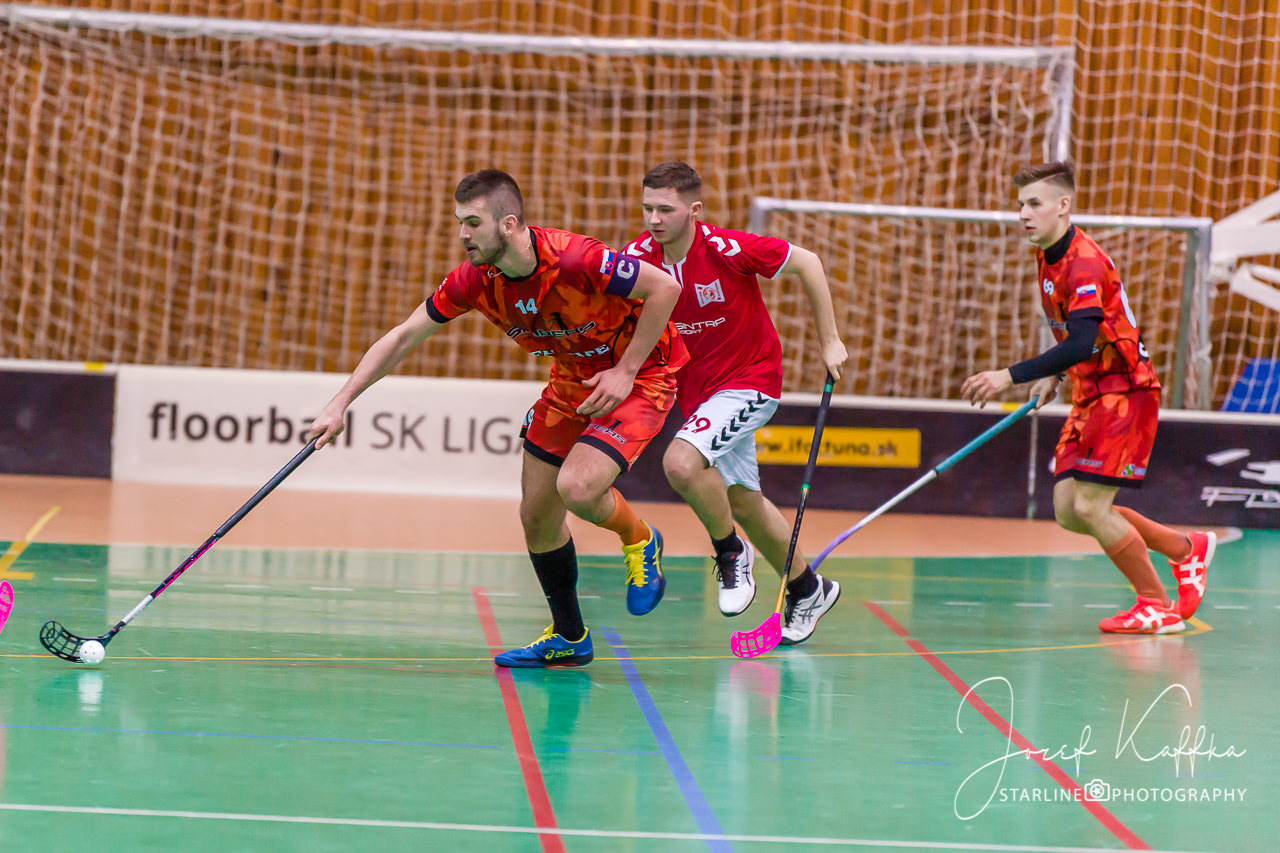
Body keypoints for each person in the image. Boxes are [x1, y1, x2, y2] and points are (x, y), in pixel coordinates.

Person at [309, 169, 689, 667]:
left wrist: (627, 369)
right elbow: (403, 336)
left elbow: (664, 288)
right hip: (571, 383)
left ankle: (639, 539)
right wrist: (340, 402)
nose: (462, 234)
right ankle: (570, 637)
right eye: (459, 222)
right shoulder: (475, 281)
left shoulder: (576, 259)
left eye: (473, 223)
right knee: (537, 517)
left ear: (508, 225)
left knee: (577, 488)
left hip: (640, 378)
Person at [961, 161, 1215, 634]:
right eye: (1020, 205)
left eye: (1034, 204)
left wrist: (1008, 376)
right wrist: (1055, 375)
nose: (1023, 214)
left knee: (1092, 507)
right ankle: (1185, 549)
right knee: (1069, 510)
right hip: (1090, 391)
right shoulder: (1048, 256)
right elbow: (1080, 333)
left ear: (1063, 205)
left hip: (1125, 392)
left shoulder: (1083, 262)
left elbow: (1080, 343)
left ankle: (1156, 604)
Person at [624, 161, 849, 645]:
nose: (654, 219)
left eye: (666, 209)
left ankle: (730, 551)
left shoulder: (726, 249)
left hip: (752, 381)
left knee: (681, 464)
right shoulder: (639, 258)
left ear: (694, 210)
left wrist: (830, 340)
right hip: (699, 397)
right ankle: (808, 588)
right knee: (744, 502)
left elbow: (808, 262)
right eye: (647, 208)